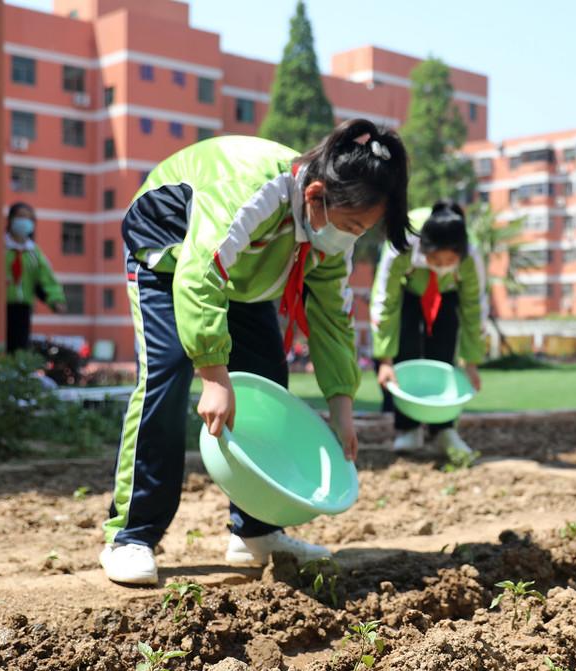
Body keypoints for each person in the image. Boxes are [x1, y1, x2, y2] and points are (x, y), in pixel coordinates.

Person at [101, 119, 410, 586]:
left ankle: (256, 532)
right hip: (168, 256)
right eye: (349, 225)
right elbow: (200, 274)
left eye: (362, 230)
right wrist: (213, 374)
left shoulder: (331, 239)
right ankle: (132, 535)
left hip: (240, 277)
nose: (351, 238)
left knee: (268, 377)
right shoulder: (252, 188)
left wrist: (341, 406)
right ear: (315, 194)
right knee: (166, 378)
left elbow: (331, 320)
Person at [371, 201, 486, 455]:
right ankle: (407, 428)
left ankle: (443, 429)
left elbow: (474, 307)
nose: (442, 263)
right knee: (405, 349)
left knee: (444, 354)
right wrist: (385, 360)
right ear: (423, 248)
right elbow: (384, 300)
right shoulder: (402, 240)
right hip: (406, 292)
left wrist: (472, 362)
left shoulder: (471, 252)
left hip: (447, 294)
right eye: (435, 258)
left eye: (450, 259)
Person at [4, 202, 66, 352]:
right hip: (1, 307)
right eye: (21, 216)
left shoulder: (33, 253)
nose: (24, 221)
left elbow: (46, 279)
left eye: (29, 218)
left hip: (23, 308)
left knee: (19, 349)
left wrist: (56, 300)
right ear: (11, 219)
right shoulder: (0, 248)